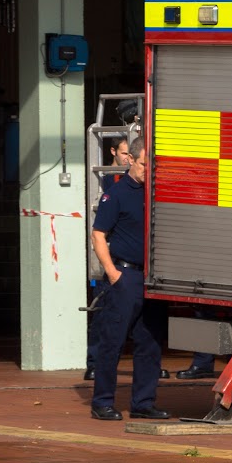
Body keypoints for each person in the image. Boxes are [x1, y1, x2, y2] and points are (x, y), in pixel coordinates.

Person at [88, 138, 168, 421]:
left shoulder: (158, 192)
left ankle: (143, 403)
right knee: (113, 341)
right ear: (131, 160)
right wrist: (113, 273)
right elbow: (98, 235)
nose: (150, 169)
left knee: (151, 343)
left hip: (153, 278)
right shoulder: (117, 194)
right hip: (127, 276)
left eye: (153, 164)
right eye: (145, 164)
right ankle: (102, 402)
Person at [85, 136, 132, 381]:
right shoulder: (108, 179)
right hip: (113, 257)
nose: (127, 159)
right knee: (103, 313)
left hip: (130, 261)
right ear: (113, 151)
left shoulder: (135, 181)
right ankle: (93, 362)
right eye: (124, 153)